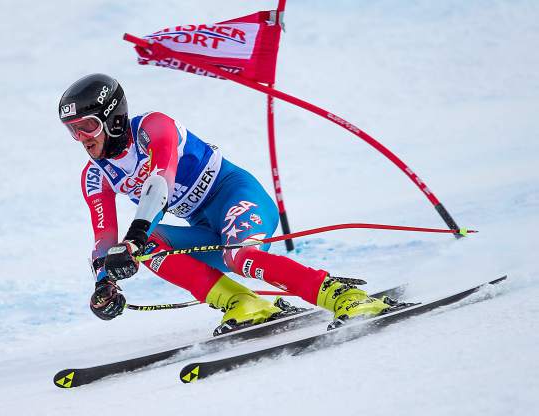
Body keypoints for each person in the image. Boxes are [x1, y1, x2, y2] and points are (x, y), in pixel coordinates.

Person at [58, 73, 391, 333]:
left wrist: (133, 239)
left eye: (88, 127)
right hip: (204, 228)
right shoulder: (95, 175)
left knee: (239, 255)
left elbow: (160, 183)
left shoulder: (153, 127)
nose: (82, 139)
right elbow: (104, 239)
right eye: (73, 131)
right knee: (148, 248)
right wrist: (104, 282)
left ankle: (344, 295)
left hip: (237, 197)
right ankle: (243, 302)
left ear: (114, 119)